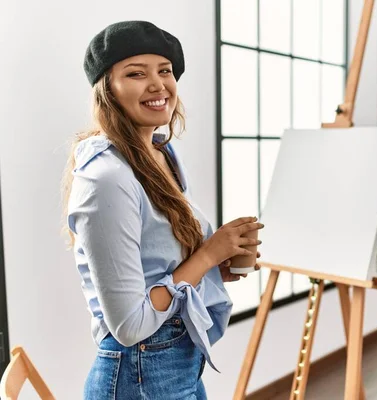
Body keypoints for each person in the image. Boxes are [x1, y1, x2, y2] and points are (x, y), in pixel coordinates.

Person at [61, 20, 263, 399]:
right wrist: (207, 254)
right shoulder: (106, 177)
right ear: (108, 89)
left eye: (165, 70)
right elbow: (130, 325)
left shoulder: (159, 153)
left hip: (173, 362)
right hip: (139, 372)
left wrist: (214, 266)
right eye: (136, 73)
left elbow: (156, 263)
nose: (158, 84)